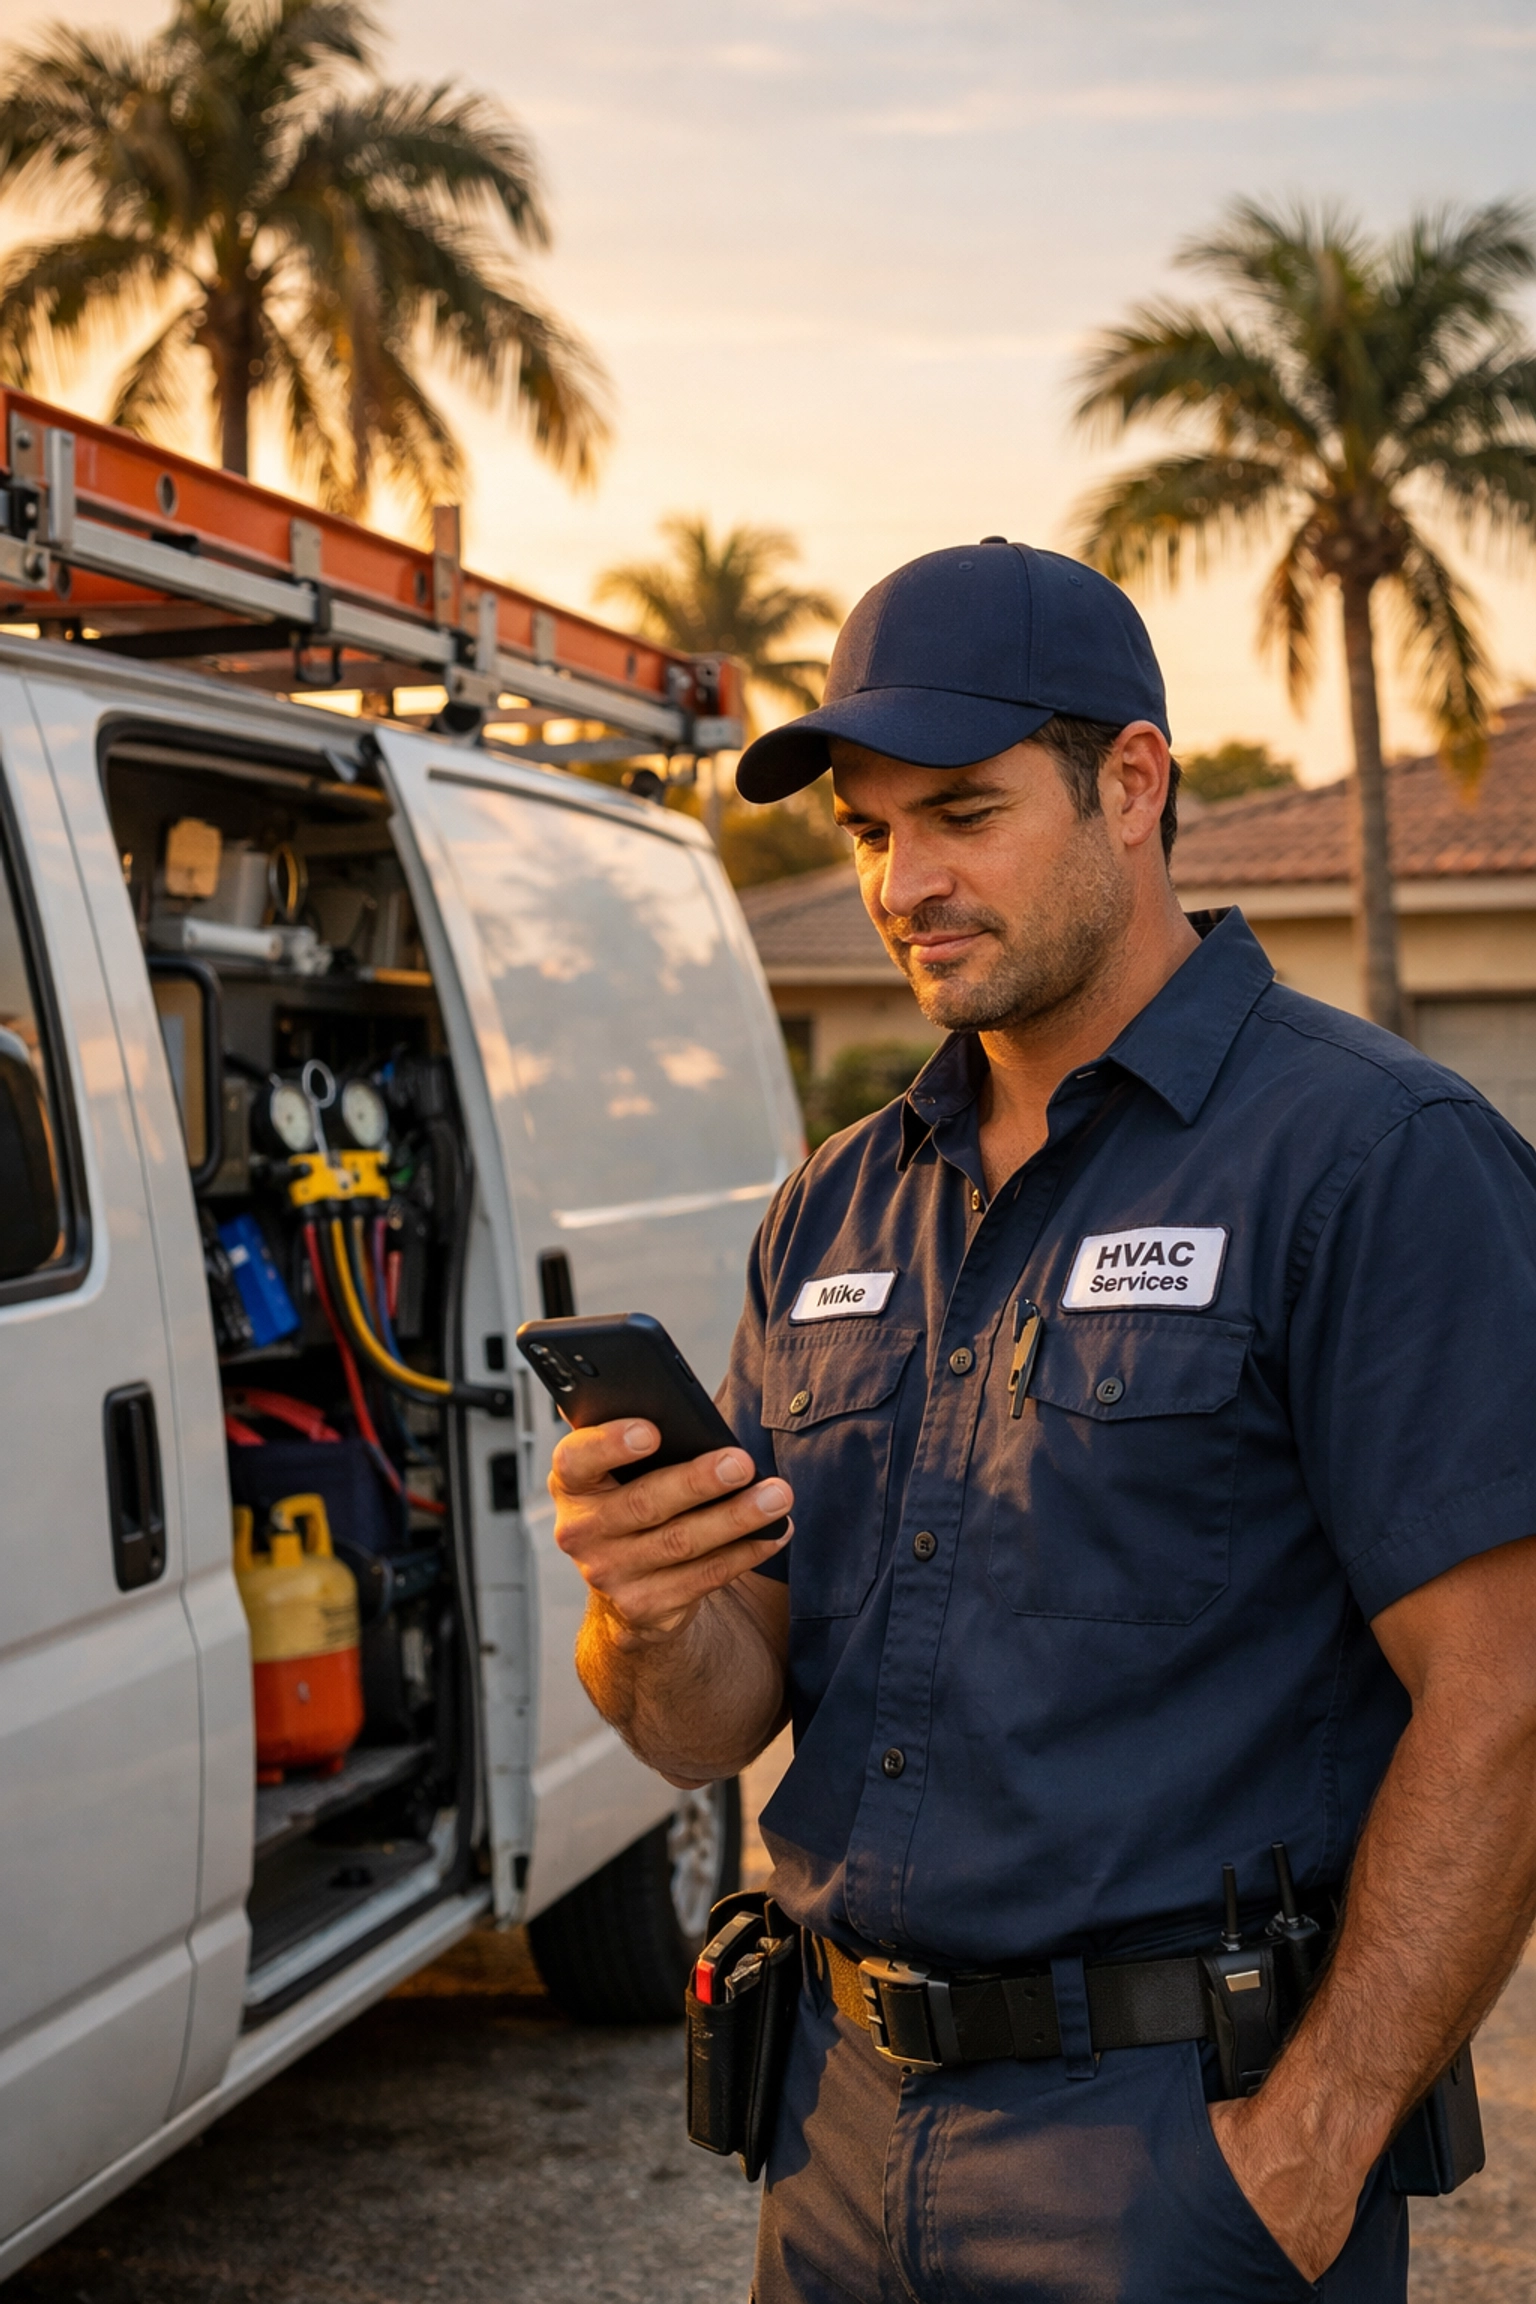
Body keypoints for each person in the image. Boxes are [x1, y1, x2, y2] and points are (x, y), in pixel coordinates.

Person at [550, 539, 1536, 2302]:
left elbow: (1510, 1691)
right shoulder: (834, 1208)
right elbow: (714, 1723)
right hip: (835, 2131)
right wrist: (643, 1611)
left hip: (1177, 2154)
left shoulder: (1374, 1158)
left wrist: (1306, 2149)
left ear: (1133, 786)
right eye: (867, 832)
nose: (903, 881)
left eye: (961, 813)